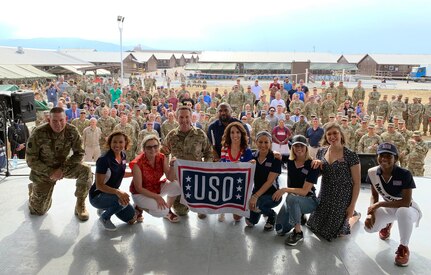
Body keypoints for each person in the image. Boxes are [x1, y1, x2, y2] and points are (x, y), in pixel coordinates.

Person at [26, 107, 92, 221]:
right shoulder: (38, 133)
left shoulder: (72, 131)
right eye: (54, 121)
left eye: (61, 120)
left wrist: (62, 169)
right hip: (44, 171)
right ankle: (33, 190)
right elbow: (31, 159)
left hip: (63, 167)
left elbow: (79, 153)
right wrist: (51, 172)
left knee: (86, 170)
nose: (58, 124)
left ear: (66, 119)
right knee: (38, 211)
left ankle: (80, 205)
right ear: (48, 120)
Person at [364, 143, 422, 267]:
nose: (384, 158)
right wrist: (370, 214)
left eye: (389, 156)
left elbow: (406, 202)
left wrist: (379, 204)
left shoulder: (404, 174)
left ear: (395, 159)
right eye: (381, 155)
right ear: (377, 157)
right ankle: (388, 224)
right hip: (390, 207)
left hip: (409, 209)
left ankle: (403, 247)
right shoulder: (372, 172)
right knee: (369, 228)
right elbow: (374, 196)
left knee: (402, 211)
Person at [307, 123, 361, 241]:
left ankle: (354, 216)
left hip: (342, 196)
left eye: (335, 133)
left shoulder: (351, 155)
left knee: (337, 232)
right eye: (329, 134)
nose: (332, 136)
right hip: (325, 194)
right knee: (313, 226)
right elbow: (320, 173)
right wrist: (317, 164)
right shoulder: (321, 152)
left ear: (341, 135)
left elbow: (357, 183)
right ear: (326, 137)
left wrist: (352, 206)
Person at [161, 105, 213, 218]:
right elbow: (163, 153)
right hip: (179, 178)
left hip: (197, 177)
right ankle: (181, 202)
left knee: (202, 212)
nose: (184, 120)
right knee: (181, 212)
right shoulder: (171, 136)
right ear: (176, 118)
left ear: (191, 117)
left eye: (187, 117)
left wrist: (205, 167)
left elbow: (209, 152)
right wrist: (168, 170)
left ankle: (200, 204)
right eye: (181, 117)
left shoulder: (200, 134)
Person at [273, 135, 320, 245]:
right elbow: (275, 154)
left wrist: (284, 189)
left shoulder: (312, 165)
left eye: (301, 146)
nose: (299, 148)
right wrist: (275, 152)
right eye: (296, 146)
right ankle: (299, 215)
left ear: (306, 147)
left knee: (291, 197)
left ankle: (298, 232)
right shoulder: (290, 160)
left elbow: (304, 191)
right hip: (293, 200)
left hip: (308, 200)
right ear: (292, 148)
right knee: (280, 230)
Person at [89, 131, 137, 231]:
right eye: (114, 142)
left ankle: (105, 207)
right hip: (97, 196)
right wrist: (118, 192)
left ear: (125, 143)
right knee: (122, 200)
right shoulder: (104, 160)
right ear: (110, 143)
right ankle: (105, 217)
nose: (117, 145)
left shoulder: (123, 155)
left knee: (131, 218)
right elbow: (99, 185)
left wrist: (134, 173)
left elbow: (119, 173)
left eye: (120, 142)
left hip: (112, 194)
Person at [130, 135, 181, 223]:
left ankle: (168, 211)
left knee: (177, 186)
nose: (153, 149)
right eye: (149, 147)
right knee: (161, 211)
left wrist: (172, 166)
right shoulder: (137, 163)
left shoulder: (161, 157)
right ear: (144, 149)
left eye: (155, 146)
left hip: (154, 187)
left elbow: (171, 178)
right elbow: (138, 188)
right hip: (139, 193)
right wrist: (157, 197)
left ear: (159, 146)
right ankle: (139, 206)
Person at [246, 131, 282, 231]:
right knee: (250, 222)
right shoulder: (253, 157)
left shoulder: (275, 158)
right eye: (260, 142)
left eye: (266, 142)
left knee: (258, 204)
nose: (263, 145)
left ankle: (271, 214)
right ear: (256, 142)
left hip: (273, 195)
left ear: (270, 143)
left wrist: (255, 197)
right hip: (257, 192)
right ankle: (260, 211)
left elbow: (270, 181)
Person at [218, 122, 253, 222]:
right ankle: (222, 208)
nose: (235, 135)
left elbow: (248, 173)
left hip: (239, 185)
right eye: (232, 132)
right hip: (226, 182)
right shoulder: (224, 149)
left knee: (237, 218)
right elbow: (222, 167)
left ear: (242, 134)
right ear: (228, 134)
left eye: (237, 132)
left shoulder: (247, 151)